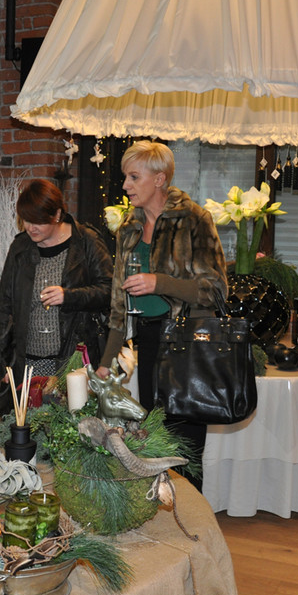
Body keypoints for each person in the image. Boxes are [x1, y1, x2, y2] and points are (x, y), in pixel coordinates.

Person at [95, 141, 228, 490]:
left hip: (188, 344)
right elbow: (119, 301)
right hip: (150, 341)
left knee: (185, 446)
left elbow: (216, 289)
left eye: (133, 177)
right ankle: (162, 509)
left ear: (159, 179)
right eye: (126, 177)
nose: (126, 185)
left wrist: (160, 283)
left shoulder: (194, 220)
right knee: (154, 439)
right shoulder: (129, 227)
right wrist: (107, 360)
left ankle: (193, 514)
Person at [0, 179, 113, 391]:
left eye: (37, 221)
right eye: (26, 220)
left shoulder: (87, 241)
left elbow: (109, 291)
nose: (30, 227)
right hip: (28, 362)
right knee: (28, 412)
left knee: (70, 412)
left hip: (73, 361)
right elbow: (5, 306)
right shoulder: (20, 247)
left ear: (57, 215)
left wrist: (69, 296)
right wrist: (1, 362)